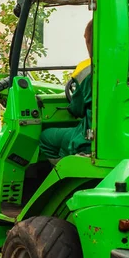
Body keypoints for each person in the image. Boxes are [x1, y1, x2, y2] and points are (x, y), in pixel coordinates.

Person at [39, 19, 93, 161]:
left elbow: (77, 110)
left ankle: (63, 175)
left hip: (90, 142)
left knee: (46, 137)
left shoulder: (87, 72)